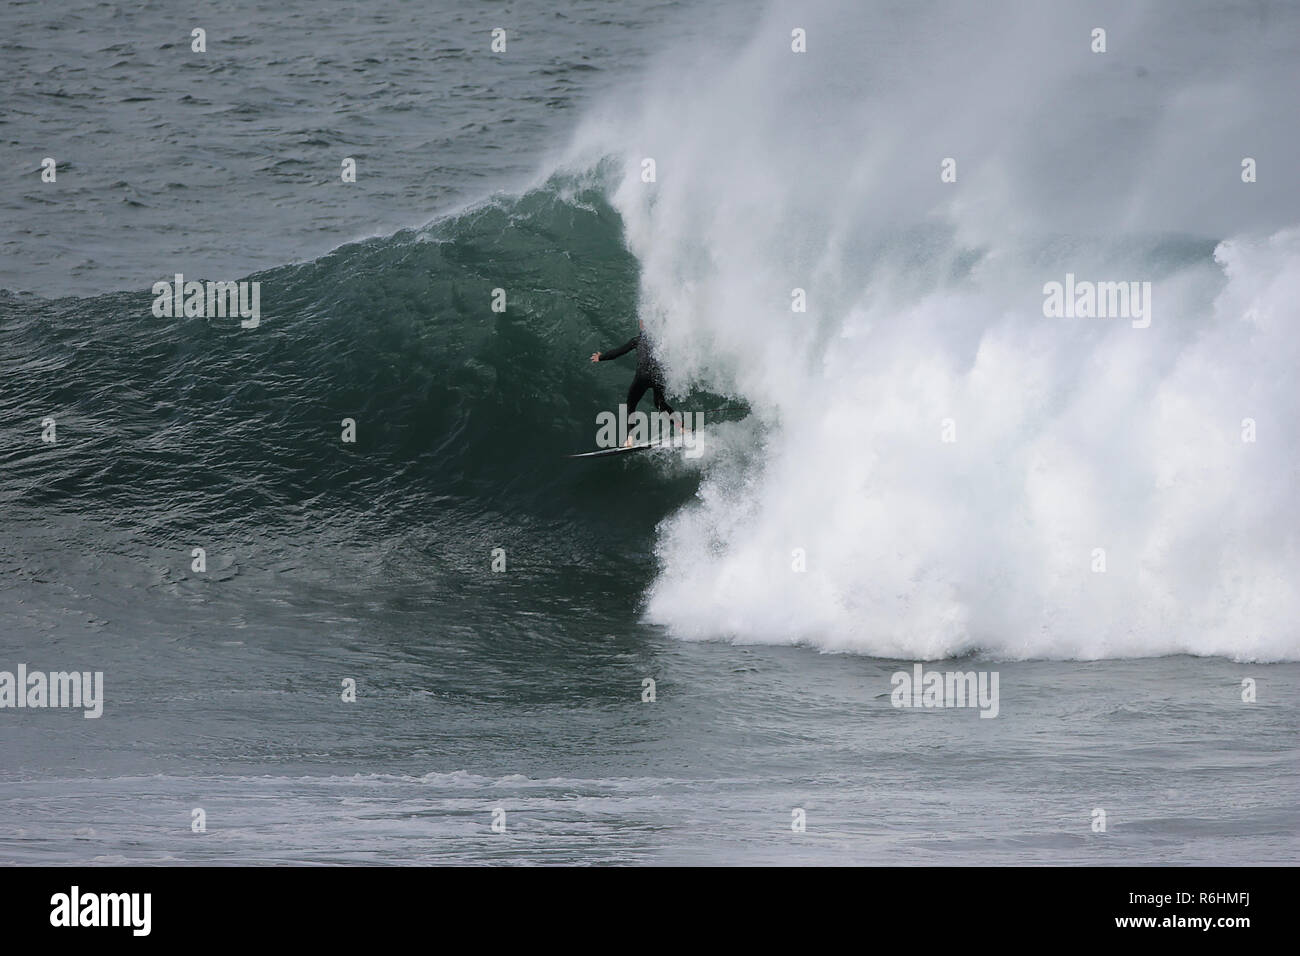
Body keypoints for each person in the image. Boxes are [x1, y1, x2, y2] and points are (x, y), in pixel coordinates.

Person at [590, 320, 681, 446]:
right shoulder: (661, 341)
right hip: (658, 376)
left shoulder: (637, 340)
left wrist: (601, 357)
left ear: (642, 326)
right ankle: (682, 428)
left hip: (642, 376)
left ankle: (630, 439)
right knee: (660, 404)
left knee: (631, 405)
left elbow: (618, 352)